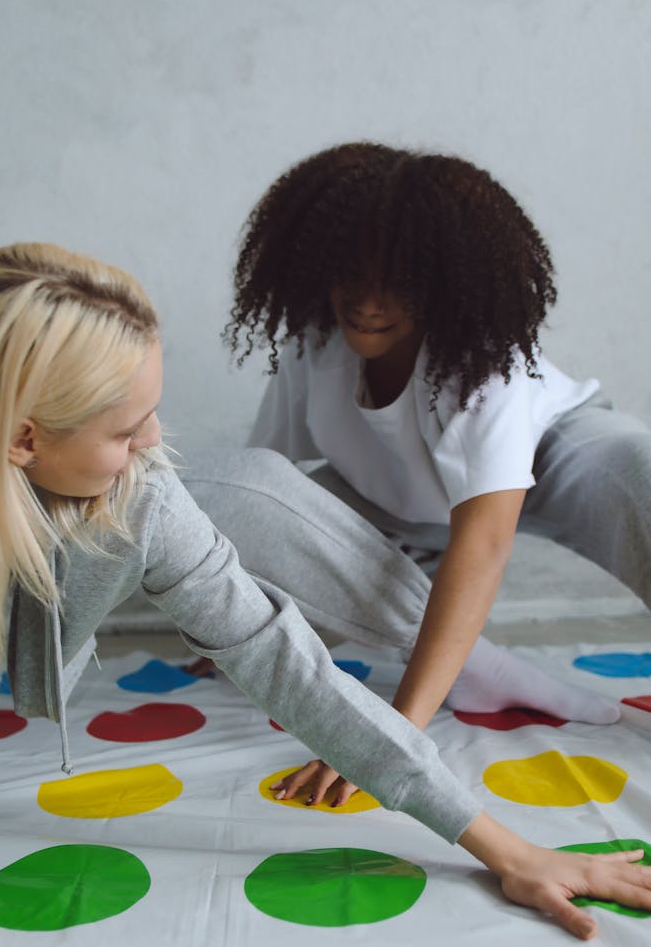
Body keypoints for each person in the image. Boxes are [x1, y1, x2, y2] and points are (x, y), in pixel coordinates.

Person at [0, 242, 650, 941]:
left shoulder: (145, 500)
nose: (156, 442)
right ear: (23, 439)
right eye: (126, 432)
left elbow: (297, 675)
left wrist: (508, 851)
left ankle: (471, 659)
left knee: (245, 491)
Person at [180, 141, 651, 808]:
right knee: (225, 485)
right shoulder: (314, 342)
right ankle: (480, 668)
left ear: (442, 280)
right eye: (352, 274)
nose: (369, 301)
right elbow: (262, 493)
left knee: (641, 466)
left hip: (549, 461)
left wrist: (392, 730)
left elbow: (483, 544)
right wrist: (244, 614)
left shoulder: (482, 361)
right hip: (393, 509)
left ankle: (461, 665)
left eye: (398, 281)